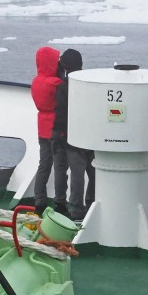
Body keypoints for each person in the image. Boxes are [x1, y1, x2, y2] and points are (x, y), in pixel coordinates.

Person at [52, 48, 95, 221]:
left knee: (77, 175)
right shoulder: (90, 83)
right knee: (93, 172)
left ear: (65, 66)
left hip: (72, 137)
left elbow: (61, 113)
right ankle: (92, 204)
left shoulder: (64, 87)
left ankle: (76, 210)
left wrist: (59, 135)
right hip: (91, 136)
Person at [31, 46, 62, 215]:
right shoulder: (56, 83)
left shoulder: (36, 81)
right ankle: (60, 201)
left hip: (42, 127)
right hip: (55, 128)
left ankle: (39, 200)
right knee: (59, 166)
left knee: (44, 165)